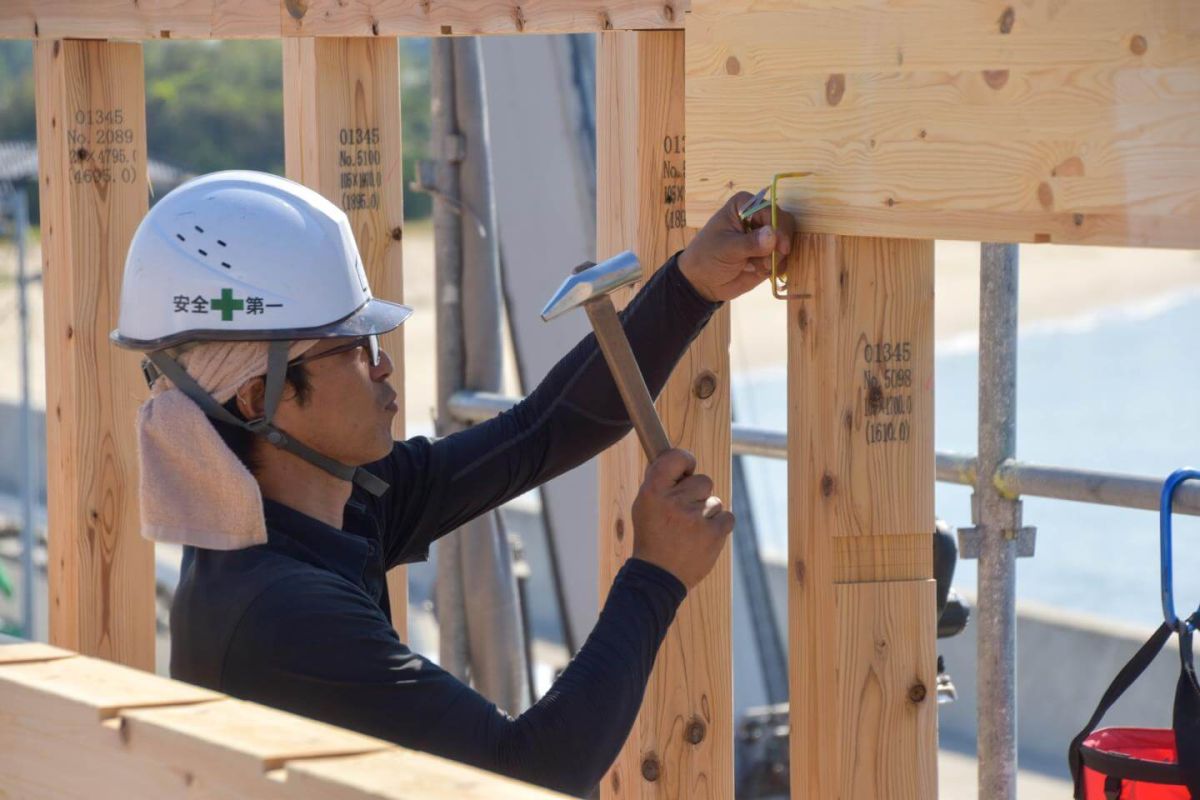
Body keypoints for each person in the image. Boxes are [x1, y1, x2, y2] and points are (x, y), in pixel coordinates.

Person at [111, 170, 793, 796]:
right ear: (264, 395)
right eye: (355, 348)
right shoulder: (281, 615)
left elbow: (541, 433)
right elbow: (531, 774)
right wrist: (655, 577)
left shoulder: (327, 508)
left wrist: (691, 284)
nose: (383, 367)